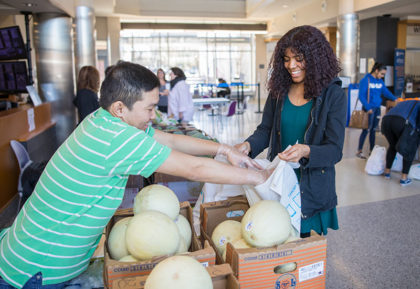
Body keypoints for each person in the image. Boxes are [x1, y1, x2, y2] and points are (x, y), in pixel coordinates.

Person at [0, 61, 272, 288]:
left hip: (27, 251)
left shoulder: (103, 120)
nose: (153, 116)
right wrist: (260, 178)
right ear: (120, 107)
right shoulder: (116, 138)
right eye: (150, 108)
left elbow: (170, 140)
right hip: (35, 271)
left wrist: (226, 150)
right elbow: (194, 168)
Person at [234, 25, 347, 238]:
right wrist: (247, 146)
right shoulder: (280, 90)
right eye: (286, 59)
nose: (291, 65)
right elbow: (265, 130)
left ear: (315, 58)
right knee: (278, 240)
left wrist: (306, 151)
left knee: (303, 252)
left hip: (311, 188)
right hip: (279, 183)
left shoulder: (333, 95)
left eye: (298, 58)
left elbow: (335, 150)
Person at [356, 62, 397, 159]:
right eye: (382, 74)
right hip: (368, 110)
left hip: (377, 109)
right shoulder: (366, 80)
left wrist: (395, 99)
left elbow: (385, 91)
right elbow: (361, 96)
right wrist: (368, 107)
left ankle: (372, 150)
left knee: (373, 130)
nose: (382, 76)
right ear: (376, 70)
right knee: (365, 130)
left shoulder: (380, 82)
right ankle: (359, 150)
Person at [381, 100, 420, 186]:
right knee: (410, 148)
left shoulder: (408, 102)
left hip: (386, 121)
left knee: (392, 146)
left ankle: (387, 172)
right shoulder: (418, 104)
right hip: (402, 121)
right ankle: (404, 178)